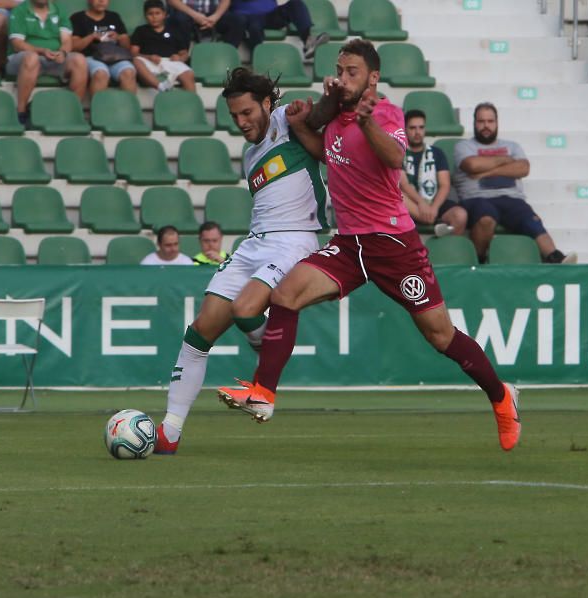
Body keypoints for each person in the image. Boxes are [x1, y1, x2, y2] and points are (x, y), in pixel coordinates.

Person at [217, 40, 522, 452]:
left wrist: (365, 123)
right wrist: (307, 116)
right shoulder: (336, 117)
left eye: (352, 72)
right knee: (285, 295)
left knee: (440, 336)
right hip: (348, 244)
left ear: (373, 78)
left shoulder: (385, 114)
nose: (343, 77)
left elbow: (395, 158)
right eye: (340, 70)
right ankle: (264, 393)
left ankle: (501, 396)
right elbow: (318, 143)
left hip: (394, 244)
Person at [154, 68, 325, 454]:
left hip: (294, 241)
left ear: (267, 104)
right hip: (254, 244)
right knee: (198, 333)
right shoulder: (250, 155)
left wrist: (309, 110)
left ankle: (265, 375)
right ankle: (170, 432)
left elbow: (321, 119)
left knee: (247, 311)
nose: (242, 122)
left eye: (247, 112)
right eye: (234, 116)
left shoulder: (288, 122)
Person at [453, 102, 575, 264]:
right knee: (485, 219)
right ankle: (478, 261)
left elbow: (523, 168)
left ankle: (555, 258)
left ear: (497, 123)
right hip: (477, 198)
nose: (486, 126)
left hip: (512, 199)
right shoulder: (464, 146)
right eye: (481, 121)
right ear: (474, 123)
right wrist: (504, 160)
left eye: (490, 121)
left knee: (532, 221)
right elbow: (472, 165)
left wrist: (486, 171)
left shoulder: (512, 146)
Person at [7, 0, 88, 126]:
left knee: (80, 60)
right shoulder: (20, 10)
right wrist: (41, 51)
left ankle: (73, 113)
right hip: (23, 58)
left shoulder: (59, 9)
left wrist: (63, 53)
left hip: (53, 57)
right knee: (31, 58)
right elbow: (17, 44)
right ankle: (21, 112)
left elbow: (67, 40)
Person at [401, 109, 467, 237]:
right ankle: (431, 220)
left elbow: (445, 185)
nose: (417, 132)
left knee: (461, 215)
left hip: (436, 202)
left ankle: (448, 250)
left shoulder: (437, 153)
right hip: (411, 204)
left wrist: (435, 207)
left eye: (421, 127)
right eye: (412, 128)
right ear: (405, 130)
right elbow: (404, 184)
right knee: (398, 195)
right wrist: (421, 203)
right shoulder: (399, 153)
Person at [70, 0, 137, 95]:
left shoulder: (114, 17)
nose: (101, 1)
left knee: (129, 72)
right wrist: (92, 36)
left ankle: (129, 109)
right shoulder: (78, 17)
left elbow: (126, 46)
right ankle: (99, 109)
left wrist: (118, 37)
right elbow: (74, 47)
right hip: (90, 57)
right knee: (101, 74)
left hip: (115, 57)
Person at [131, 0, 195, 92]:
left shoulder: (174, 31)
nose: (154, 17)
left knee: (189, 74)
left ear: (164, 14)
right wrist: (149, 57)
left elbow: (184, 54)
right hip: (149, 62)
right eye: (150, 14)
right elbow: (133, 53)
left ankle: (192, 103)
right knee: (136, 61)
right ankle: (161, 87)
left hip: (170, 61)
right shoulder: (140, 31)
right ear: (145, 16)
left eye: (158, 13)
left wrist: (179, 58)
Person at [230, 0, 328, 55]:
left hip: (271, 14)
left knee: (295, 4)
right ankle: (258, 61)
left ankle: (308, 40)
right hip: (246, 16)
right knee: (254, 27)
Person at [166, 0, 243, 48]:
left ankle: (227, 55)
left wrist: (216, 16)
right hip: (187, 13)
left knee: (237, 20)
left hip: (213, 16)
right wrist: (195, 15)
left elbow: (226, 1)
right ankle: (183, 55)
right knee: (179, 19)